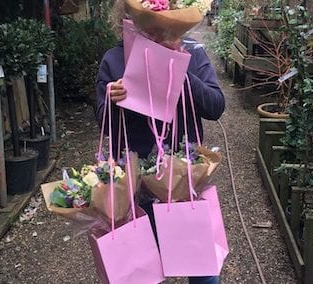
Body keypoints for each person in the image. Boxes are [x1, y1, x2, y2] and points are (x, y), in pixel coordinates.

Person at [95, 1, 225, 283]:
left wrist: (180, 70)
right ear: (128, 17)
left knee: (202, 271)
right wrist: (112, 100)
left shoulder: (193, 52)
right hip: (134, 185)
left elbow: (216, 107)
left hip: (183, 180)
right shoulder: (115, 58)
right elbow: (103, 122)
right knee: (139, 273)